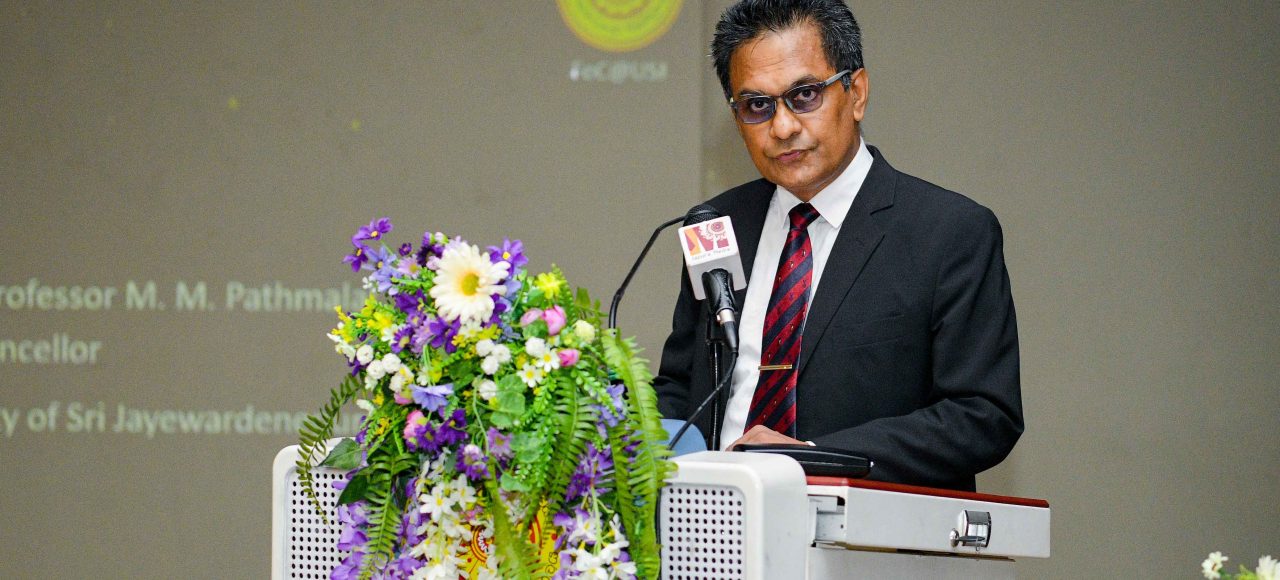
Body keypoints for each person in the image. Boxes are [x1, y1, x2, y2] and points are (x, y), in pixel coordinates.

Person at [653, 0, 1023, 491]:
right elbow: (682, 387)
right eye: (757, 106)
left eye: (804, 95)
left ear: (857, 92)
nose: (783, 127)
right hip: (714, 515)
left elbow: (982, 414)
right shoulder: (717, 224)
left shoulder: (949, 232)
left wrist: (812, 458)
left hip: (867, 523)